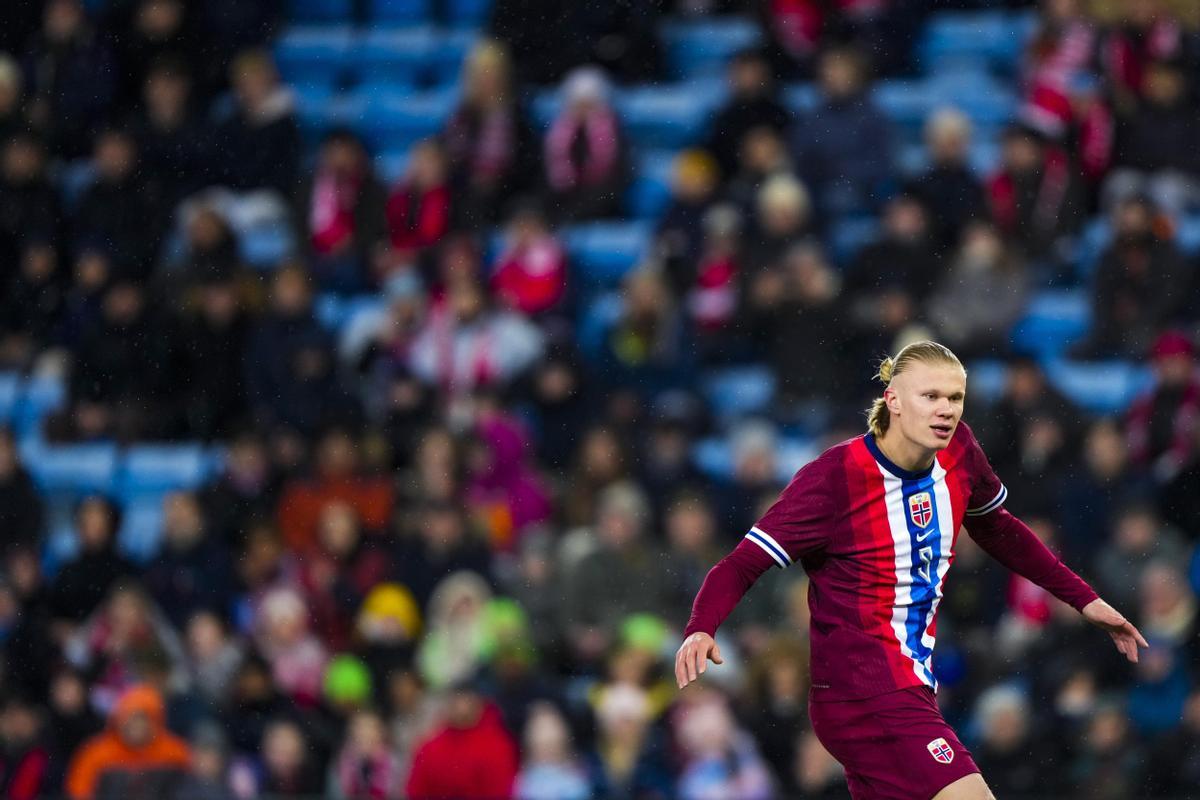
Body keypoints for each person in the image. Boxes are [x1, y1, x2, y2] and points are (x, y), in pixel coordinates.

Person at [675, 340, 1147, 800]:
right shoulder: (834, 478)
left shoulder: (959, 450)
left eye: (955, 398)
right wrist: (701, 628)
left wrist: (1084, 599)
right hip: (864, 692)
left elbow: (998, 529)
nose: (946, 409)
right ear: (893, 401)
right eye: (931, 396)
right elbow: (741, 565)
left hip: (908, 686)